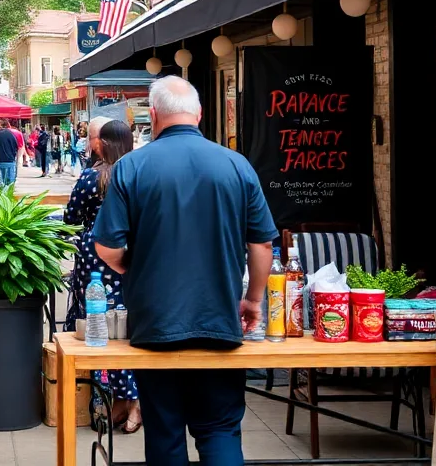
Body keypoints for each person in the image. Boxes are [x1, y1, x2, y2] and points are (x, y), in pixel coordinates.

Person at [93, 76, 278, 465]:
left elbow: (106, 247)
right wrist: (253, 300)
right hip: (219, 319)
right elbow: (262, 244)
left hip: (155, 323)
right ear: (199, 114)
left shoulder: (131, 167)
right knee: (220, 428)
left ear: (154, 115)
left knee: (164, 430)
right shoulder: (237, 165)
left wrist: (135, 267)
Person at [65, 119, 142, 432]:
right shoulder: (138, 174)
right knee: (127, 329)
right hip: (133, 256)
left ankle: (120, 400)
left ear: (101, 143)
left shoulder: (92, 177)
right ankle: (130, 402)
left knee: (99, 329)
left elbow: (71, 217)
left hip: (97, 257)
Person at [0, 118, 21, 186]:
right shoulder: (11, 135)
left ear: (0, 126)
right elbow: (16, 147)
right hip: (10, 160)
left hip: (0, 161)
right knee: (10, 182)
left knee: (0, 182)